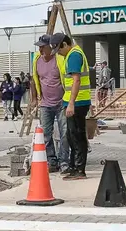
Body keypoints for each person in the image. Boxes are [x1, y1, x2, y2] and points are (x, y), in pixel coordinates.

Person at [52, 33, 91, 180]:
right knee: (72, 135)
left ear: (64, 44)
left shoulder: (74, 55)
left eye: (59, 49)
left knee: (77, 136)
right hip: (74, 101)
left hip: (78, 102)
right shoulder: (72, 54)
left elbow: (76, 81)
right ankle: (75, 167)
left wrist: (71, 104)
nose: (59, 53)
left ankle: (79, 169)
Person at [31, 34, 69, 173]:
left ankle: (64, 162)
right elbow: (33, 80)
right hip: (45, 104)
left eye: (43, 47)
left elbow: (68, 78)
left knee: (64, 134)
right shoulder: (36, 60)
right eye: (39, 47)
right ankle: (52, 161)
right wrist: (35, 98)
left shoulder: (59, 60)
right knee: (46, 134)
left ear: (50, 47)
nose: (40, 50)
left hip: (61, 103)